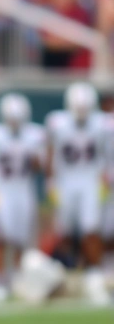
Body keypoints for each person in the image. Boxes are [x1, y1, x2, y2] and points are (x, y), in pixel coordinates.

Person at [45, 82, 112, 305]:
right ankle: (65, 275)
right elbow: (50, 151)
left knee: (91, 229)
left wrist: (108, 179)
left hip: (91, 181)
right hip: (66, 181)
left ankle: (94, 275)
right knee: (63, 230)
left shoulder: (104, 124)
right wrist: (50, 179)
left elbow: (109, 155)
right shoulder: (57, 122)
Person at [0, 92, 46, 303]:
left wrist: (34, 156)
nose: (14, 123)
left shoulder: (35, 135)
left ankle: (16, 279)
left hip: (23, 190)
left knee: (20, 238)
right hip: (1, 191)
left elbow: (39, 166)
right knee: (0, 237)